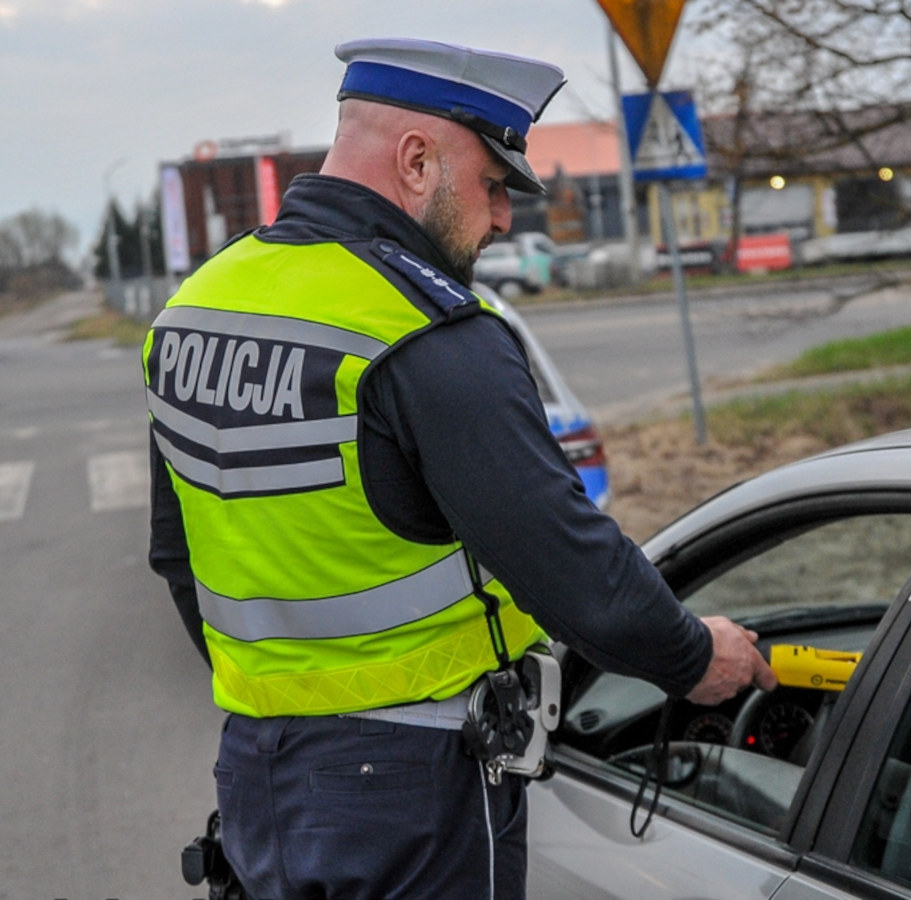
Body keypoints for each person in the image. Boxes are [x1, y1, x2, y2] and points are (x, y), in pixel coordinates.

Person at [145, 37, 776, 899]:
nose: (505, 219)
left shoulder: (196, 311)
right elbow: (569, 563)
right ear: (416, 161)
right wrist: (697, 657)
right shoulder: (425, 329)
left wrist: (285, 694)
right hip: (410, 788)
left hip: (259, 774)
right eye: (492, 185)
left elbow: (179, 560)